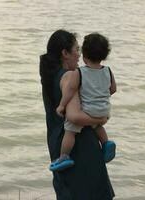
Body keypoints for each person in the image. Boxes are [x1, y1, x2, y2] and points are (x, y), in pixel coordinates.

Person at [40, 29, 115, 199]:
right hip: (81, 149)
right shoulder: (69, 77)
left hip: (59, 145)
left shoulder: (50, 76)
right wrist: (100, 119)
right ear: (65, 53)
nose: (79, 55)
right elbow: (74, 116)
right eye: (76, 50)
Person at [50, 33, 117, 171]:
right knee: (97, 125)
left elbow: (70, 90)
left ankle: (64, 156)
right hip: (104, 109)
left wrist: (62, 105)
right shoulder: (108, 71)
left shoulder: (79, 73)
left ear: (85, 56)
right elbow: (113, 89)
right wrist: (101, 96)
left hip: (88, 110)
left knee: (70, 130)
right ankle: (105, 142)